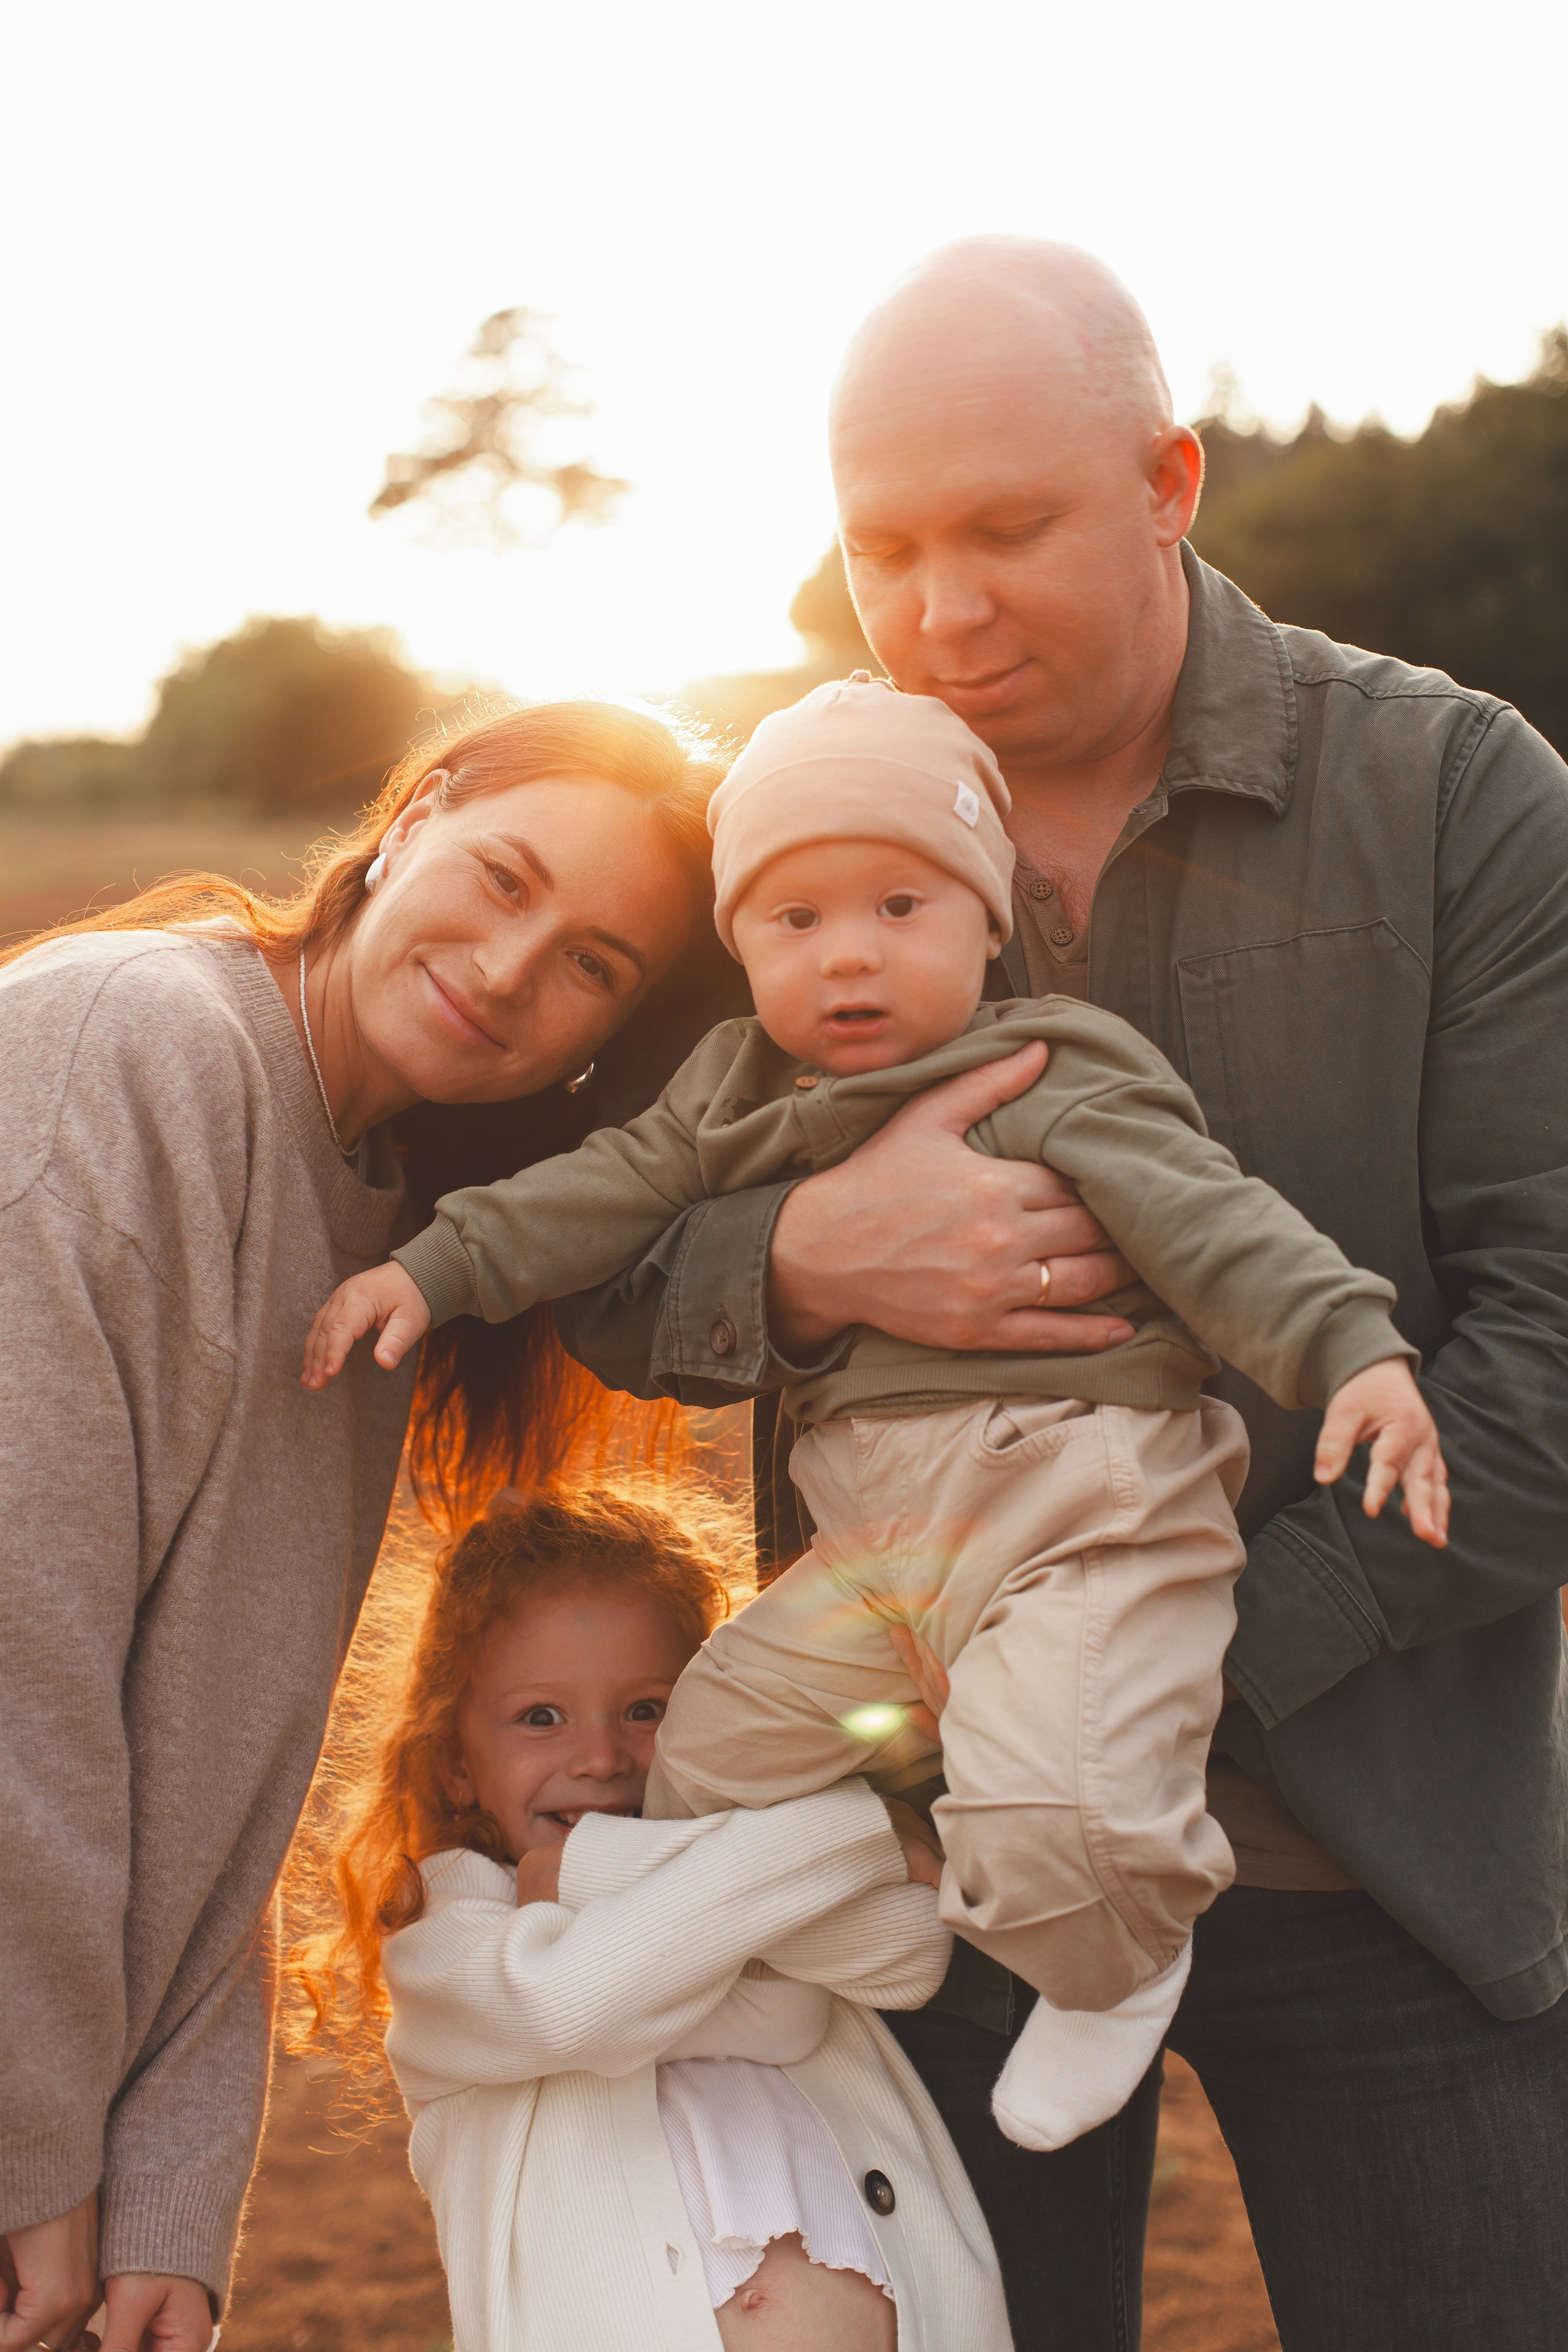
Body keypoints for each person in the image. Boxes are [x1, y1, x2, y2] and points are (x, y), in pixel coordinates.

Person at [542, 243, 1568, 2352]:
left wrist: (1168, 1661)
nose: (939, 610)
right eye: (885, 547)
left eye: (1009, 530)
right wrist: (795, 1266)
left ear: (1173, 479)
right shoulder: (781, 816)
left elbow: (1550, 1348)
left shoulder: (1464, 799)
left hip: (1393, 1865)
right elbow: (604, 1263)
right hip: (909, 1869)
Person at [304, 673, 1447, 2155]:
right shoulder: (733, 1083)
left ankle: (1113, 1958)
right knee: (705, 1759)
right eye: (794, 922)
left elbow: (1215, 1226)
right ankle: (889, 1913)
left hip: (1074, 1512)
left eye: (897, 908)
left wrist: (1352, 1349)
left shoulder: (1048, 1069)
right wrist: (434, 1269)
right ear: (741, 946)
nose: (845, 956)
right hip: (880, 1554)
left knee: (1059, 1806)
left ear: (986, 920)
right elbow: (600, 1194)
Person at [0, 701, 745, 2352]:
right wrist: (33, 2152)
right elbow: (19, 1676)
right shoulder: (123, 1049)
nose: (509, 964)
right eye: (501, 876)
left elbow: (216, 1766)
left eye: (593, 967)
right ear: (407, 819)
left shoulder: (388, 1226)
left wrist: (171, 2194)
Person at [289, 1480, 1012, 2351]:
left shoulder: (740, 1871)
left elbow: (906, 1947)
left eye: (646, 1711)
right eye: (540, 1718)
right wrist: (862, 1832)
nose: (599, 1758)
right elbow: (577, 2002)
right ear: (453, 1765)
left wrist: (593, 1870)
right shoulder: (443, 1942)